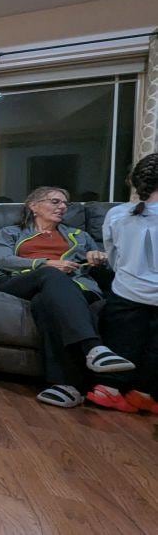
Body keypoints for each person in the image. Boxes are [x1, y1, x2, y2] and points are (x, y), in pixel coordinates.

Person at [0, 186, 134, 409]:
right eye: (55, 202)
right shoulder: (11, 232)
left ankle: (65, 386)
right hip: (22, 282)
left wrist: (99, 257)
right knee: (51, 275)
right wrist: (45, 263)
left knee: (45, 303)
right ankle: (93, 348)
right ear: (33, 206)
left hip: (69, 287)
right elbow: (3, 259)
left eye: (65, 203)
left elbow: (111, 269)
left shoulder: (80, 236)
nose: (62, 207)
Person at [89, 154, 158, 413]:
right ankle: (143, 393)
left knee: (122, 338)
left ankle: (107, 388)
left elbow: (114, 258)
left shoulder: (117, 214)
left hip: (126, 293)